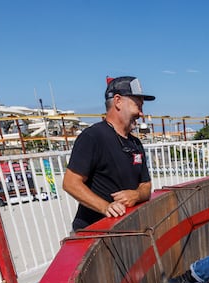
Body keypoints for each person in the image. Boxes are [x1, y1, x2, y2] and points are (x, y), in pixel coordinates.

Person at [63, 76, 155, 230]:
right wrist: (105, 207)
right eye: (138, 105)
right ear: (118, 101)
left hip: (123, 231)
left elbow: (146, 185)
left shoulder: (135, 143)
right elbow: (70, 183)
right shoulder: (92, 137)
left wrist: (137, 195)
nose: (141, 113)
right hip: (93, 231)